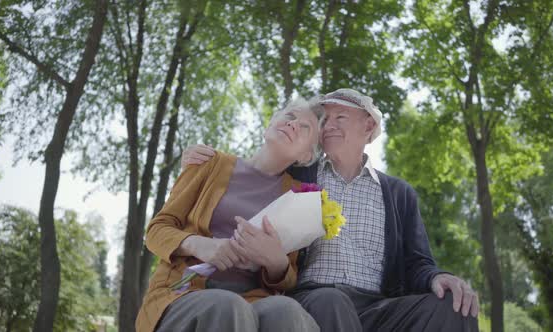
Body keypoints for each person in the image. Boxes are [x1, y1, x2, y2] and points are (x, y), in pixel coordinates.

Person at [182, 88, 480, 331]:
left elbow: (417, 262)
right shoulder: (298, 175)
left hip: (381, 306)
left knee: (455, 304)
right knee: (331, 300)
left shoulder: (398, 193)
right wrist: (204, 161)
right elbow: (255, 171)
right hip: (314, 299)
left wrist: (436, 277)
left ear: (369, 126)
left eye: (341, 117)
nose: (330, 125)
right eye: (325, 120)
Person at [136, 97, 324, 332]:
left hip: (255, 300)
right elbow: (156, 231)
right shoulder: (208, 163)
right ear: (270, 123)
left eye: (305, 127)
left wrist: (277, 263)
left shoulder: (296, 196)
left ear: (306, 156)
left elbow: (288, 278)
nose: (293, 124)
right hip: (183, 292)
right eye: (290, 116)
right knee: (228, 306)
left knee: (288, 312)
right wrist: (198, 245)